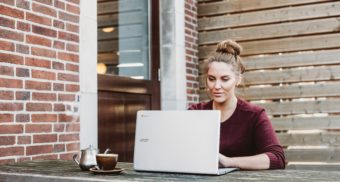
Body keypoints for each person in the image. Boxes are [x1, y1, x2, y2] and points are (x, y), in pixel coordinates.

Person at [189, 40, 285, 170]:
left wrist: (229, 162)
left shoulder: (254, 115)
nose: (216, 86)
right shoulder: (195, 112)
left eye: (225, 79)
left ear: (238, 79)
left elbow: (277, 158)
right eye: (211, 79)